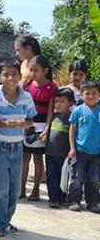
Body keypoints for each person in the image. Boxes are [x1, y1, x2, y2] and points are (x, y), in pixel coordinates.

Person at [0, 61, 37, 237]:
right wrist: (4, 124)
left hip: (18, 147)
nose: (10, 78)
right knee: (1, 188)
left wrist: (24, 124)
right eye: (6, 74)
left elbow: (31, 119)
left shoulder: (26, 97)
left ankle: (6, 220)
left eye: (14, 74)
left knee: (15, 190)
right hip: (0, 146)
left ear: (20, 76)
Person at [21, 55, 57, 201]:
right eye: (31, 70)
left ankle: (35, 190)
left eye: (36, 70)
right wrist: (23, 125)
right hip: (28, 124)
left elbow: (50, 111)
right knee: (24, 158)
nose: (33, 73)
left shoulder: (52, 87)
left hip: (41, 126)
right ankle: (21, 188)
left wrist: (47, 129)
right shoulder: (27, 86)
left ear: (45, 70)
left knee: (37, 158)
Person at [67, 80, 100, 213]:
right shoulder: (77, 111)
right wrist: (72, 148)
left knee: (94, 178)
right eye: (87, 93)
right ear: (81, 95)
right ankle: (74, 201)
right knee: (77, 177)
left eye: (94, 93)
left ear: (99, 94)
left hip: (96, 153)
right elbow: (72, 130)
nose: (91, 96)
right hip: (80, 152)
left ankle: (92, 202)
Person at [45, 87, 75, 208]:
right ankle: (53, 198)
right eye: (56, 101)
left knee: (63, 177)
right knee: (51, 176)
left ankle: (62, 197)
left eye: (62, 101)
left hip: (64, 155)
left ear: (71, 104)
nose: (58, 104)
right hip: (50, 153)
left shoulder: (72, 119)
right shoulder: (53, 116)